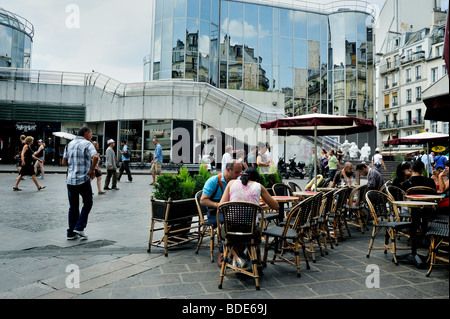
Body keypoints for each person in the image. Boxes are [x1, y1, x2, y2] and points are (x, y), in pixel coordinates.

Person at [219, 167, 279, 267]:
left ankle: (236, 258)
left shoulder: (231, 184)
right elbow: (276, 206)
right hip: (250, 231)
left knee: (222, 232)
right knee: (254, 232)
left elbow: (221, 206)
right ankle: (238, 258)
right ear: (256, 178)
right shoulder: (258, 186)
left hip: (230, 229)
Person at [200, 160, 243, 267]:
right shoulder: (213, 181)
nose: (239, 175)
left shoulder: (237, 181)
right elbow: (203, 200)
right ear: (228, 170)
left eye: (240, 172)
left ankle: (237, 251)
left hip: (230, 212)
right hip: (215, 214)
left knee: (244, 221)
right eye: (237, 172)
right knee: (226, 224)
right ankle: (222, 253)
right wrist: (217, 205)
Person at [62, 126, 99, 240]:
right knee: (88, 202)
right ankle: (80, 227)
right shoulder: (88, 144)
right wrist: (92, 169)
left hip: (71, 180)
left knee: (73, 206)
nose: (91, 136)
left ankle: (70, 233)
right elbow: (96, 156)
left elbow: (64, 162)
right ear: (86, 133)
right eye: (91, 133)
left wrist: (74, 164)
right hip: (83, 179)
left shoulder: (69, 145)